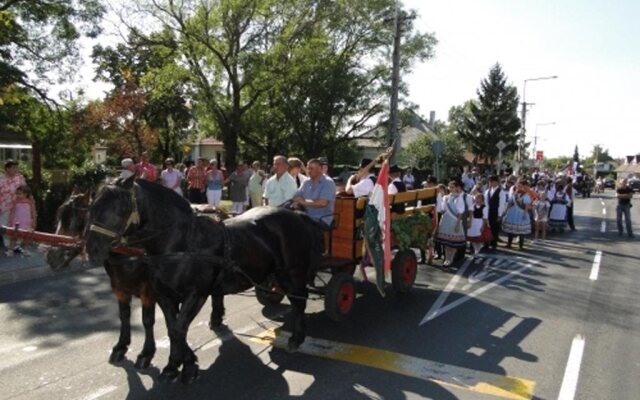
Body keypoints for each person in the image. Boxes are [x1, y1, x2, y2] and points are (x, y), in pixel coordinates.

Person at [291, 158, 336, 228]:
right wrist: (300, 201)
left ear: (320, 169)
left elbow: (322, 203)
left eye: (311, 168)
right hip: (307, 216)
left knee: (299, 226)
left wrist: (303, 202)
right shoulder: (306, 182)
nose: (308, 171)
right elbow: (295, 197)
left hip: (323, 218)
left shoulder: (328, 182)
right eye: (308, 168)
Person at [435, 180, 468, 266]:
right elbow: (442, 209)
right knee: (446, 242)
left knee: (453, 242)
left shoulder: (459, 198)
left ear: (457, 188)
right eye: (450, 187)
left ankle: (451, 258)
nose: (451, 188)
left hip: (454, 220)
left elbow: (460, 212)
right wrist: (439, 197)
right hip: (446, 219)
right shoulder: (446, 197)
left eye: (453, 187)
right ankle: (447, 258)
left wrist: (457, 224)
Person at [0, 160, 26, 248]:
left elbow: (25, 190)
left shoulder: (19, 178)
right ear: (7, 169)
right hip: (4, 206)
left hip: (18, 206)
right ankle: (8, 244)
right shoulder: (1, 179)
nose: (15, 170)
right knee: (6, 224)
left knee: (18, 223)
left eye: (16, 168)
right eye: (13, 168)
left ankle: (17, 244)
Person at [6, 185, 36, 256]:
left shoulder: (30, 202)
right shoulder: (16, 202)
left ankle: (25, 250)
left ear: (25, 194)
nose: (17, 195)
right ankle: (10, 250)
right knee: (14, 236)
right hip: (17, 223)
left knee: (26, 237)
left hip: (27, 222)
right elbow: (12, 212)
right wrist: (10, 221)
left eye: (19, 194)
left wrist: (34, 221)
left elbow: (33, 212)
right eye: (17, 193)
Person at [502, 180, 533, 249]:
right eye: (518, 186)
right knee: (511, 230)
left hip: (521, 212)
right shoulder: (514, 194)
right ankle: (509, 244)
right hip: (512, 212)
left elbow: (527, 205)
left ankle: (521, 246)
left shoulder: (526, 195)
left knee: (521, 231)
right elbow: (510, 203)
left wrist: (525, 213)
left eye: (520, 186)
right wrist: (506, 211)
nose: (519, 187)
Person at [484, 175, 506, 251]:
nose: (490, 183)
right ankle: (486, 244)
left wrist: (499, 215)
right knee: (487, 228)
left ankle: (494, 244)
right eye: (490, 181)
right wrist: (485, 213)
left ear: (496, 182)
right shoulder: (487, 191)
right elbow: (486, 203)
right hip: (488, 212)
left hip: (495, 212)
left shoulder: (501, 192)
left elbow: (501, 204)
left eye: (492, 181)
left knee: (495, 229)